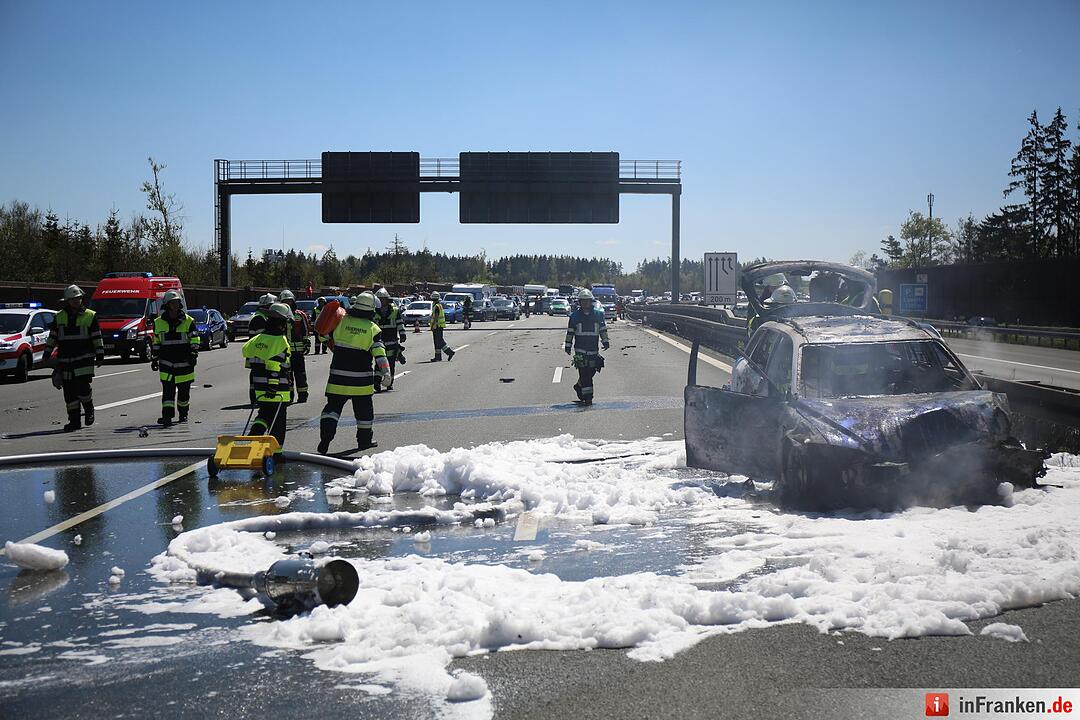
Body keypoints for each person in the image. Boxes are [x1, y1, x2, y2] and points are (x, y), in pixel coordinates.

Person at [317, 292, 391, 454]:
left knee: (333, 408)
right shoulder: (373, 329)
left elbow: (323, 336)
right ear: (372, 310)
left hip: (337, 377)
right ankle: (364, 442)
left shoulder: (340, 321)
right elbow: (379, 354)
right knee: (364, 412)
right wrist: (386, 372)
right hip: (361, 381)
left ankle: (326, 438)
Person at [46, 284, 104, 431]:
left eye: (78, 298)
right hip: (65, 359)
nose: (76, 301)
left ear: (81, 298)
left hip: (84, 359)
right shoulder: (59, 316)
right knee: (69, 393)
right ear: (67, 300)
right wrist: (47, 351)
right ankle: (74, 421)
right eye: (73, 299)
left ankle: (89, 409)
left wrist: (100, 353)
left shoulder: (90, 315)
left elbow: (96, 337)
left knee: (83, 388)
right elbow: (53, 336)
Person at [242, 302, 293, 462]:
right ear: (282, 322)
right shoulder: (280, 340)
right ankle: (277, 454)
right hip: (278, 390)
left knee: (263, 415)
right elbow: (275, 365)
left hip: (259, 387)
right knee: (278, 422)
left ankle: (253, 442)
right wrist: (273, 386)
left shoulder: (258, 338)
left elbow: (246, 350)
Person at [150, 290, 199, 426]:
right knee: (168, 394)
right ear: (167, 304)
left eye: (177, 302)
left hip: (184, 363)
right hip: (166, 363)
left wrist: (194, 354)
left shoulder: (189, 321)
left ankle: (183, 414)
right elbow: (157, 341)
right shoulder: (158, 322)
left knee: (184, 394)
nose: (176, 305)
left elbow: (194, 339)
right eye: (173, 303)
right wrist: (155, 358)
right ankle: (167, 417)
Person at [564, 289, 609, 406]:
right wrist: (567, 346)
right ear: (579, 302)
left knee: (592, 371)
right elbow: (570, 332)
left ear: (591, 302)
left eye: (587, 301)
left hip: (594, 350)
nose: (585, 303)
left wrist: (605, 341)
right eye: (583, 301)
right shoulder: (574, 317)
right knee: (585, 374)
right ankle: (588, 397)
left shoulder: (598, 315)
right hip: (580, 351)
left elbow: (603, 330)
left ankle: (579, 386)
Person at [278, 289, 310, 403]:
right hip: (284, 351)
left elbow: (306, 330)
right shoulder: (279, 316)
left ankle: (302, 395)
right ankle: (289, 396)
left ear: (293, 301)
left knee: (300, 374)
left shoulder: (300, 315)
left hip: (298, 351)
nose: (288, 303)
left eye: (289, 301)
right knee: (287, 376)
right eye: (285, 301)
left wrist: (306, 343)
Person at [246, 293, 277, 404]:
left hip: (257, 353)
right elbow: (263, 338)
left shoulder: (261, 317)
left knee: (257, 377)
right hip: (259, 354)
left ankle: (256, 399)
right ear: (267, 306)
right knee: (258, 378)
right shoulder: (260, 319)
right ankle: (256, 399)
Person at [374, 288, 406, 391]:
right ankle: (377, 383)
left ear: (387, 300)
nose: (381, 301)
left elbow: (400, 323)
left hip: (392, 341)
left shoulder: (395, 310)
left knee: (391, 363)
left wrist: (402, 334)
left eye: (382, 299)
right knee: (379, 364)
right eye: (379, 299)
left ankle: (389, 383)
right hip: (379, 342)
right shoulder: (374, 311)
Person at [429, 292, 456, 362]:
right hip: (439, 326)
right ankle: (438, 356)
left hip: (437, 326)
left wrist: (432, 326)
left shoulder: (436, 306)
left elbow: (436, 317)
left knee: (439, 341)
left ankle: (449, 352)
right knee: (437, 342)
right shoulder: (439, 305)